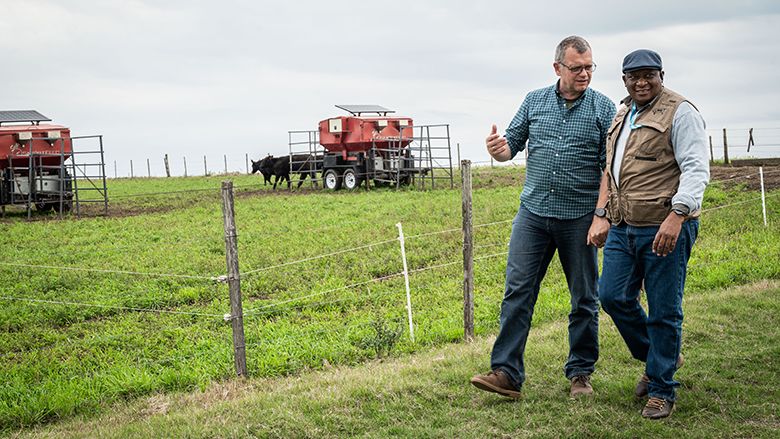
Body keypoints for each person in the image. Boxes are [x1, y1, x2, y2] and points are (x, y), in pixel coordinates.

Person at [470, 36, 616, 399]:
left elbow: (609, 170)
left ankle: (580, 373)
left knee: (584, 297)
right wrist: (497, 149)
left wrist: (601, 215)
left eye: (589, 67)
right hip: (532, 214)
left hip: (580, 218)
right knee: (517, 292)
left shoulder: (603, 108)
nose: (584, 74)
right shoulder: (534, 101)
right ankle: (506, 373)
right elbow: (510, 147)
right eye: (576, 68)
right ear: (557, 68)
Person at [589, 49, 709, 419]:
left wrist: (677, 216)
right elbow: (610, 170)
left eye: (648, 75)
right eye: (633, 76)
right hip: (623, 227)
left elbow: (696, 169)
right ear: (624, 79)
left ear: (661, 75)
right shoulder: (623, 113)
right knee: (612, 297)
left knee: (663, 311)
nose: (641, 82)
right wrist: (602, 215)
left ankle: (661, 389)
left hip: (665, 226)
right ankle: (661, 356)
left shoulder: (681, 111)